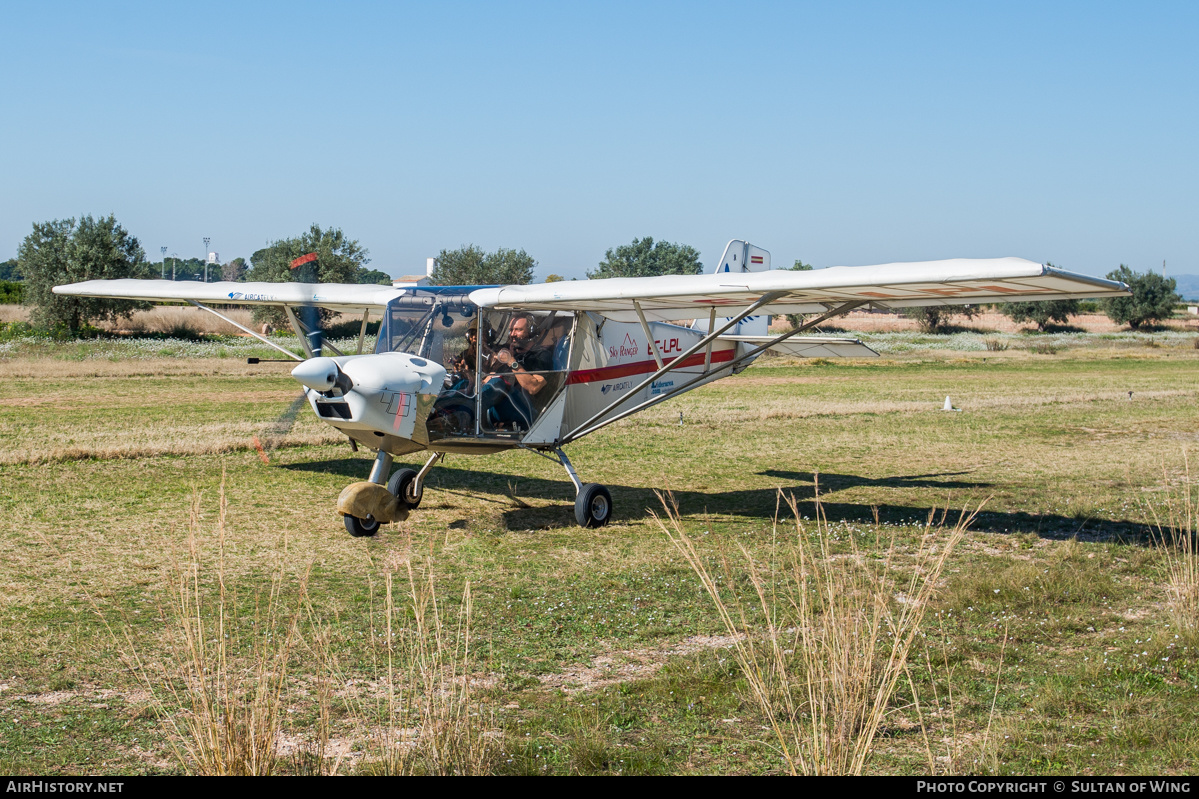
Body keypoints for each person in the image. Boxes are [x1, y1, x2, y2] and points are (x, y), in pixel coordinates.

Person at [481, 315, 552, 430]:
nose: (512, 334)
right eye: (511, 330)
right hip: (501, 406)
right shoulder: (510, 354)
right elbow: (490, 380)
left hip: (526, 411)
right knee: (464, 384)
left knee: (498, 383)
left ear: (532, 332)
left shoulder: (541, 355)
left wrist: (511, 362)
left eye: (518, 330)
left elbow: (533, 387)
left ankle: (467, 413)